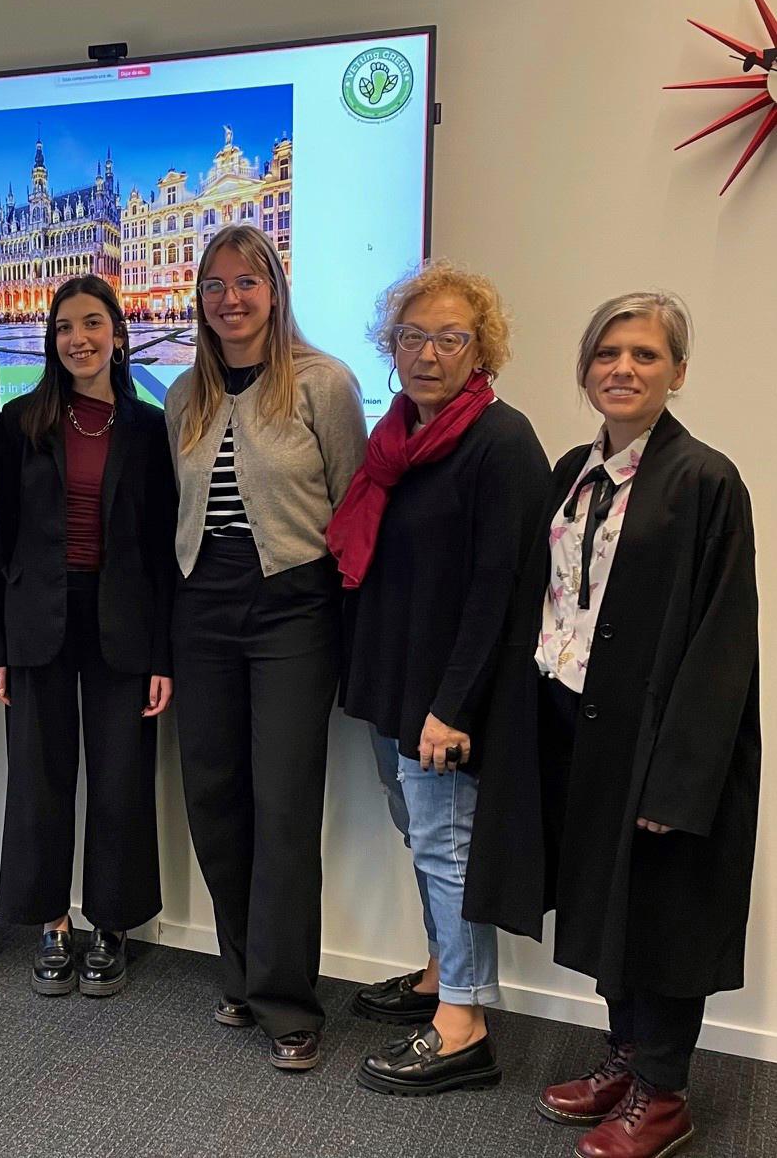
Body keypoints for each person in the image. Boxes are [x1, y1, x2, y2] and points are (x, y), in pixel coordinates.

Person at [472, 292, 759, 1158]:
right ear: (586, 368)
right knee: (602, 902)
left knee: (664, 911)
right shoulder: (571, 471)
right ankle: (626, 1060)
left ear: (678, 372)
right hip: (576, 723)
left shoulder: (705, 480)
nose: (623, 370)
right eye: (607, 354)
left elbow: (723, 642)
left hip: (658, 738)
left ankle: (665, 1095)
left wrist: (679, 779)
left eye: (644, 355)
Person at [325, 265, 548, 1095]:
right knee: (422, 835)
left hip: (444, 699)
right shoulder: (398, 439)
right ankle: (436, 976)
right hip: (394, 682)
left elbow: (502, 590)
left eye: (450, 338)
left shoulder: (501, 441)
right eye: (413, 337)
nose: (427, 353)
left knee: (448, 847)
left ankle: (463, 1025)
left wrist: (452, 707)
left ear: (480, 348)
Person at [164, 224, 366, 1070]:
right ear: (200, 300)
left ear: (275, 290)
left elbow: (356, 515)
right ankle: (242, 973)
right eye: (215, 285)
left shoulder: (325, 384)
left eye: (247, 283)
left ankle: (290, 999)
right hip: (200, 607)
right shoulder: (184, 395)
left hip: (292, 608)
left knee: (283, 806)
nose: (231, 299)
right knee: (213, 795)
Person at [0, 275, 175, 997]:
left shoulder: (150, 428)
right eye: (65, 327)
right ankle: (50, 921)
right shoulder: (18, 420)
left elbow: (161, 550)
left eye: (93, 324)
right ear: (51, 339)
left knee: (122, 779)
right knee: (39, 775)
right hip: (37, 621)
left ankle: (113, 924)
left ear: (118, 335)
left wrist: (164, 654)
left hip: (124, 621)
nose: (78, 339)